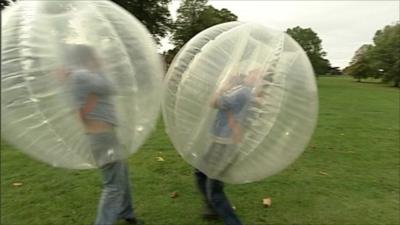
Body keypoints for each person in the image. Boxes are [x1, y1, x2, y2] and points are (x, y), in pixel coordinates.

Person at [64, 44, 142, 225]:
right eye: (95, 56)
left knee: (121, 174)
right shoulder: (81, 75)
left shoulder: (78, 76)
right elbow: (111, 86)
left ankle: (127, 213)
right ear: (88, 59)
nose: (100, 59)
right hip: (102, 136)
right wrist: (100, 67)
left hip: (103, 135)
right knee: (113, 186)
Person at [194, 71, 259, 225]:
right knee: (200, 171)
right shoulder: (241, 90)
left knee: (214, 189)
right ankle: (211, 209)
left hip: (225, 143)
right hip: (221, 140)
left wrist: (223, 86)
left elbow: (214, 102)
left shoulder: (242, 92)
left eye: (255, 73)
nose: (249, 73)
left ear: (258, 80)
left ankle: (231, 220)